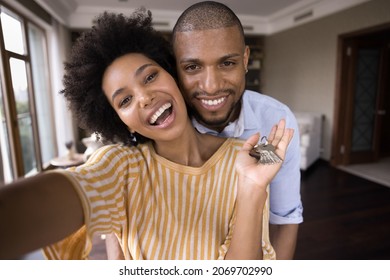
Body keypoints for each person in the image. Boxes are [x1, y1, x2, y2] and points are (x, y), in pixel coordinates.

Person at [0, 10, 293, 260]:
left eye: (150, 77)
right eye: (124, 100)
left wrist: (252, 187)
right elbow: (52, 198)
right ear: (121, 122)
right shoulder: (120, 168)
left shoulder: (246, 158)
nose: (144, 98)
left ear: (172, 76)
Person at [171, 1, 303, 259]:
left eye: (227, 63)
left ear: (245, 59)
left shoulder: (273, 124)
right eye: (192, 67)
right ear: (175, 69)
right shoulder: (164, 125)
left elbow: (284, 217)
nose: (211, 86)